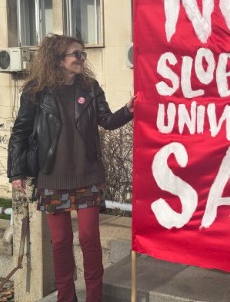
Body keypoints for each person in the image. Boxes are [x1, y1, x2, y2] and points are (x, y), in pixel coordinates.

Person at [7, 34, 135, 302]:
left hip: (87, 176)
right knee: (61, 243)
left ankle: (94, 297)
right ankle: (66, 297)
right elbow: (20, 132)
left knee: (89, 239)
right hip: (52, 177)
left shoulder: (90, 87)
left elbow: (107, 120)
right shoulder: (35, 92)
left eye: (83, 54)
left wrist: (128, 110)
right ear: (57, 59)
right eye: (76, 54)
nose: (81, 59)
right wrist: (16, 172)